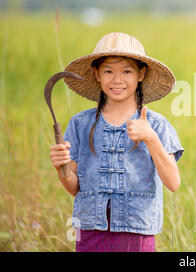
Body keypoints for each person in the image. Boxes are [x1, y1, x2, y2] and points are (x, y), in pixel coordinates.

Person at [49, 32, 184, 252]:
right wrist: (61, 168)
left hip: (136, 233)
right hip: (90, 232)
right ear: (96, 74)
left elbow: (173, 182)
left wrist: (150, 139)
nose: (117, 80)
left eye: (127, 71)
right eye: (108, 71)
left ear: (141, 74)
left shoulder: (156, 125)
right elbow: (74, 188)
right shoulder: (80, 124)